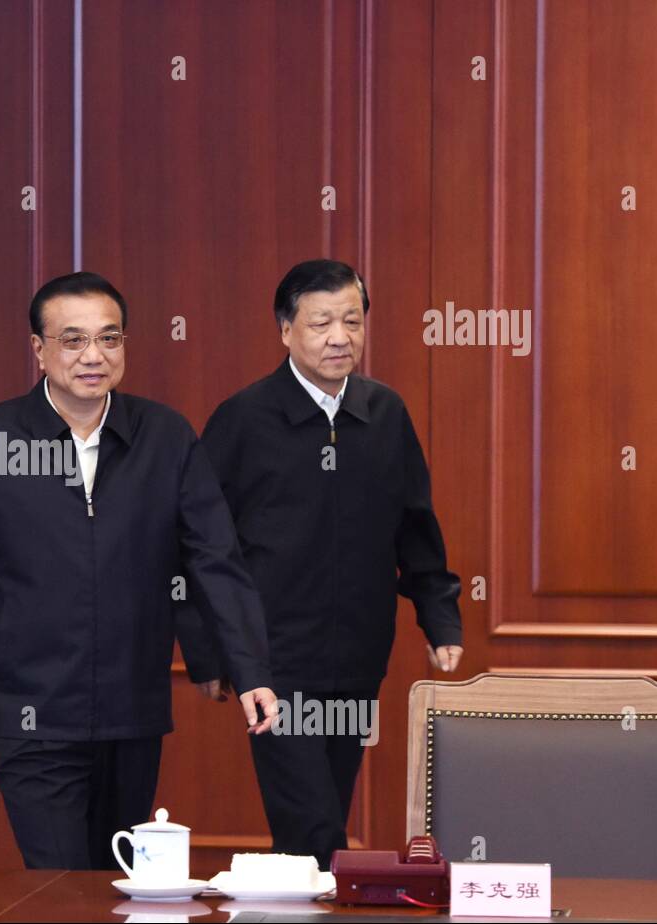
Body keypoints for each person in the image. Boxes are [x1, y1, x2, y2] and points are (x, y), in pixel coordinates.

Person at [0, 271, 275, 871]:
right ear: (39, 349)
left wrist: (251, 667)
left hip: (130, 710)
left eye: (109, 339)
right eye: (73, 340)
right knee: (59, 884)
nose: (94, 356)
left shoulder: (164, 436)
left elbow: (216, 559)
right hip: (31, 712)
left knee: (116, 881)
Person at [180, 259, 463, 871]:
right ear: (285, 331)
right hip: (273, 661)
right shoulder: (244, 419)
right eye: (321, 323)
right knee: (313, 824)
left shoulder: (384, 412)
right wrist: (206, 651)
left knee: (320, 816)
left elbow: (416, 527)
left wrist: (439, 619)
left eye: (352, 321)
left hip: (359, 656)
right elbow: (200, 544)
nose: (340, 337)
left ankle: (296, 909)